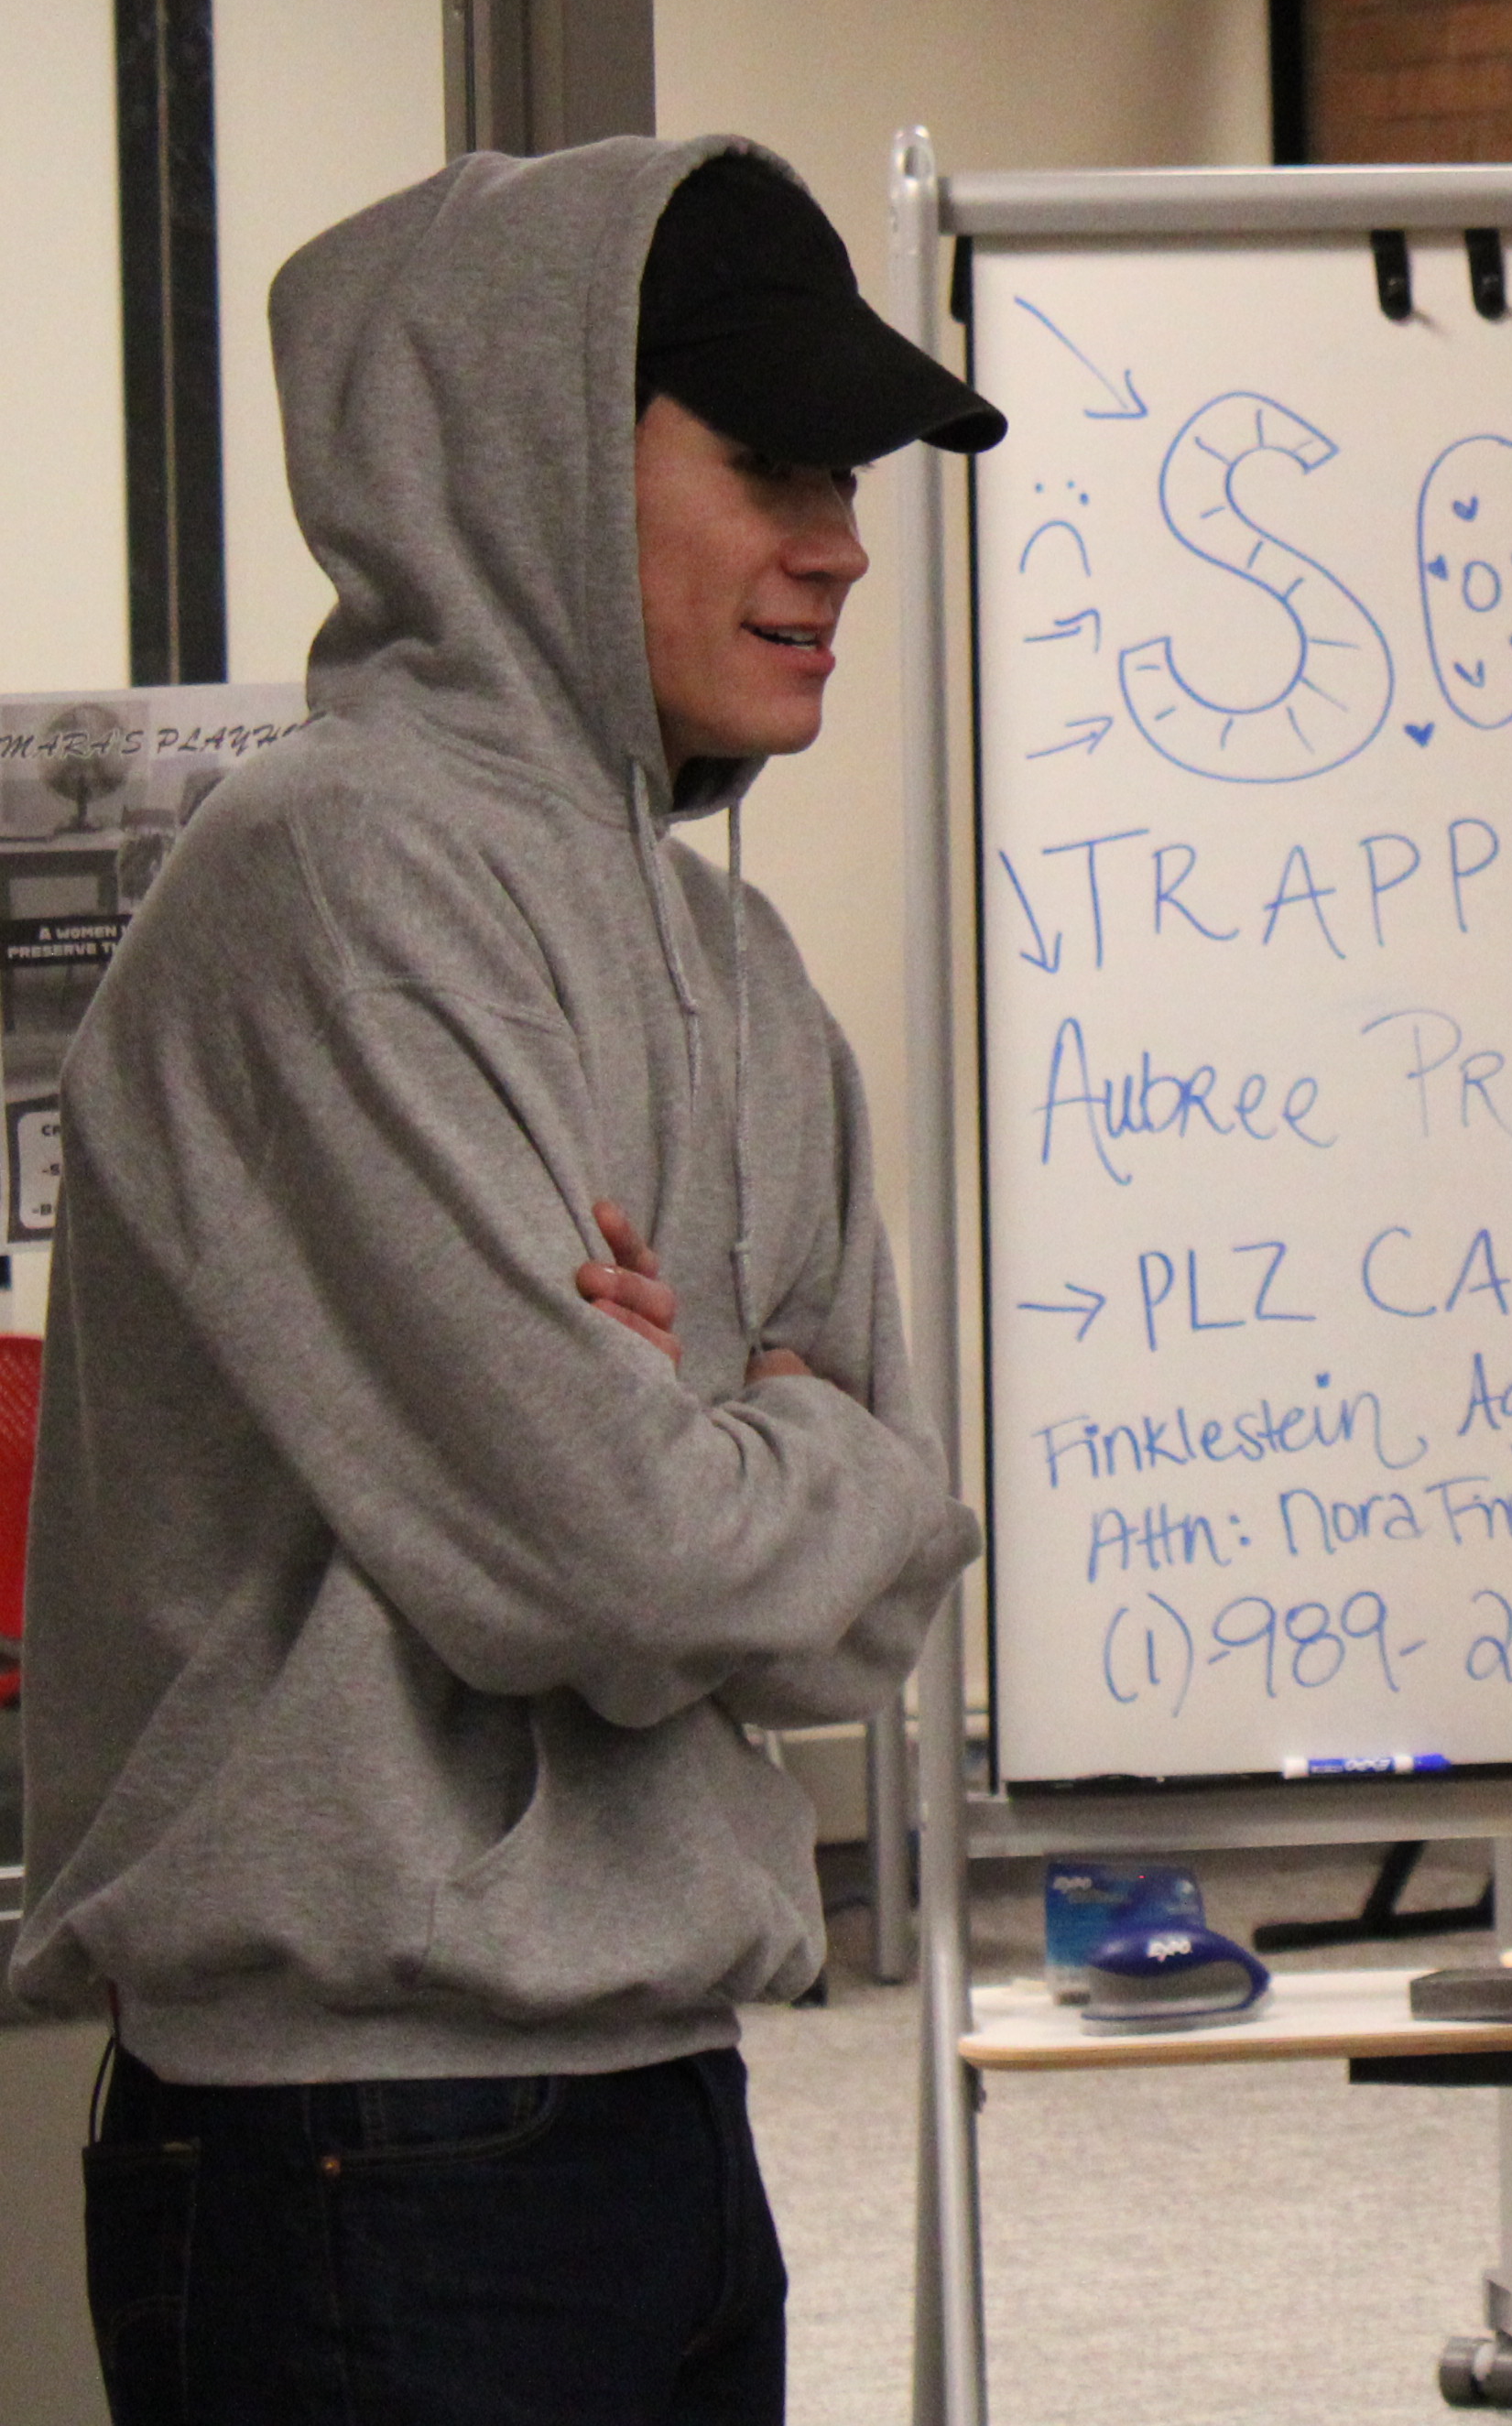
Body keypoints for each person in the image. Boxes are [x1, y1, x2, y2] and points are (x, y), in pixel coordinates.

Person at [14, 139, 1001, 2424]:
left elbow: (873, 1596)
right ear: (532, 455)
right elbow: (612, 1555)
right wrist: (753, 1440)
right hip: (356, 2144)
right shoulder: (333, 878)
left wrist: (709, 1449)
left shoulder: (737, 960)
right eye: (768, 462)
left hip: (672, 2094)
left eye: (848, 476)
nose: (840, 541)